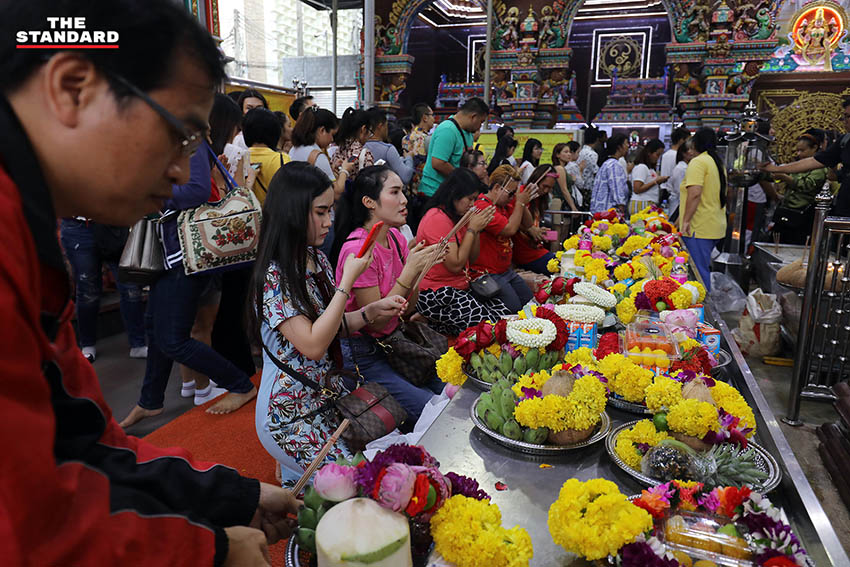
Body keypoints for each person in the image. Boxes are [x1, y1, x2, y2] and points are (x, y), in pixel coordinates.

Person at [0, 1, 298, 563]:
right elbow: (21, 524)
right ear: (71, 89)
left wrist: (226, 497)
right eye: (182, 136)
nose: (185, 171)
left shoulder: (31, 234)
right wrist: (207, 551)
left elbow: (82, 439)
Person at [252, 162, 407, 484]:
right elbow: (312, 344)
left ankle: (293, 482)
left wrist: (369, 312)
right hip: (288, 414)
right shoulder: (274, 274)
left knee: (332, 489)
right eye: (320, 212)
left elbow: (332, 326)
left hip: (324, 399)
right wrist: (345, 284)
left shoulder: (315, 257)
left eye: (331, 210)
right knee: (353, 485)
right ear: (293, 213)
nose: (329, 222)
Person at [120, 138, 260, 427]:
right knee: (155, 327)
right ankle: (150, 401)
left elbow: (196, 191)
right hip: (172, 251)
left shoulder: (187, 137)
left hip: (186, 255)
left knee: (173, 338)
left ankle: (239, 384)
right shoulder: (169, 137)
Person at [332, 166, 446, 420]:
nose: (404, 200)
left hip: (394, 343)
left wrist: (418, 270)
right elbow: (376, 322)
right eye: (394, 192)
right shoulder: (359, 251)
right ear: (369, 202)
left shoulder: (395, 237)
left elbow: (408, 308)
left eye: (403, 192)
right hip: (366, 353)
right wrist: (409, 272)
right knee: (433, 411)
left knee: (451, 390)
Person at [415, 168, 509, 334]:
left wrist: (476, 230)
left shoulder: (458, 216)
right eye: (470, 199)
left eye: (475, 199)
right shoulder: (437, 218)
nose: (473, 204)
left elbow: (471, 259)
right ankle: (429, 321)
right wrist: (472, 229)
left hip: (460, 288)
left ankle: (433, 324)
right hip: (437, 294)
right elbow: (456, 265)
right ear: (454, 194)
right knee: (489, 329)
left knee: (504, 315)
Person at [59, 219, 146, 362]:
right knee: (88, 290)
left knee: (130, 286)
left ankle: (138, 343)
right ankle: (87, 343)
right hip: (78, 224)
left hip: (110, 221)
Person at [761, 97, 850, 217]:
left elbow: (806, 184)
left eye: (848, 117)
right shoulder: (844, 141)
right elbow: (814, 161)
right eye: (844, 116)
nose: (845, 121)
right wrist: (776, 169)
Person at [471, 165, 535, 312]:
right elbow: (509, 229)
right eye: (510, 193)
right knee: (515, 310)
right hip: (487, 273)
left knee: (531, 305)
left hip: (505, 271)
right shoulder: (482, 206)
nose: (512, 197)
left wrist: (521, 201)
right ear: (497, 188)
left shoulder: (504, 203)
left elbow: (528, 223)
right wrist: (519, 202)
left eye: (514, 193)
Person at [290, 107, 353, 256]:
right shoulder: (317, 156)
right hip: (319, 220)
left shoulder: (294, 150)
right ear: (322, 130)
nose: (332, 140)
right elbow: (336, 192)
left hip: (300, 217)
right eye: (332, 134)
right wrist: (344, 170)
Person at [680, 127, 727, 289]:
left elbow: (694, 194)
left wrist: (685, 221)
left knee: (698, 272)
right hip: (714, 224)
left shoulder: (698, 162)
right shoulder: (717, 163)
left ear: (695, 144)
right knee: (702, 267)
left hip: (699, 226)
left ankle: (704, 310)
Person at [419, 97, 489, 197]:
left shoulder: (468, 133)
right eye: (481, 122)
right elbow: (438, 163)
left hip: (452, 193)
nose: (479, 127)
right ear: (473, 117)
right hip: (434, 193)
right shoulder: (447, 130)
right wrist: (463, 178)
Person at [770, 132, 829, 244]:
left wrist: (785, 177)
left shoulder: (819, 169)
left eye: (802, 150)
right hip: (786, 213)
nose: (799, 154)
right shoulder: (796, 165)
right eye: (797, 150)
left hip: (802, 217)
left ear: (814, 148)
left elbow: (806, 185)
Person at [513, 165, 560, 274]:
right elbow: (512, 222)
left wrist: (539, 231)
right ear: (536, 180)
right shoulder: (521, 194)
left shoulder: (539, 199)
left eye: (550, 188)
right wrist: (531, 230)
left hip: (535, 248)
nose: (546, 190)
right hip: (523, 251)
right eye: (544, 186)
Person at [245, 107, 290, 204]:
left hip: (248, 216)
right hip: (274, 216)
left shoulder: (238, 158)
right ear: (275, 132)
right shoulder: (281, 159)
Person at [363, 107, 415, 185]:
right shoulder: (387, 149)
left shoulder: (357, 147)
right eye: (386, 126)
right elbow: (405, 176)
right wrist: (409, 158)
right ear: (380, 126)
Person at [591, 134, 630, 214]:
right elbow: (617, 187)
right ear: (619, 147)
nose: (628, 146)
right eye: (626, 143)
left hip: (600, 210)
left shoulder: (607, 163)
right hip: (608, 211)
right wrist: (621, 204)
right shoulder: (614, 165)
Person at [331, 107, 374, 178]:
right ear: (363, 129)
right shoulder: (365, 154)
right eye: (370, 132)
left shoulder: (337, 151)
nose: (369, 136)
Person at [629, 138, 668, 215]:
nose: (658, 158)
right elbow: (637, 189)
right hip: (641, 203)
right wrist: (656, 181)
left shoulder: (648, 168)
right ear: (649, 153)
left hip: (647, 202)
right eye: (657, 154)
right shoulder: (641, 167)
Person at [402, 103, 435, 192]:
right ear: (425, 118)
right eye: (432, 115)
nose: (433, 118)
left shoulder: (405, 138)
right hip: (424, 187)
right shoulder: (425, 138)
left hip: (409, 187)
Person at [660, 126, 690, 209]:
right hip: (675, 192)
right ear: (681, 140)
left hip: (668, 191)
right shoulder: (677, 156)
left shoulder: (666, 155)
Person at [668, 138, 698, 222]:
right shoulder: (681, 169)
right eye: (689, 149)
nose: (692, 152)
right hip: (677, 204)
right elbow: (680, 190)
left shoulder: (686, 167)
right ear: (683, 153)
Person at [550, 142, 580, 210]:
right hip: (561, 203)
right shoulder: (559, 168)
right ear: (557, 155)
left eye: (569, 152)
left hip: (563, 202)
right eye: (566, 152)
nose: (569, 154)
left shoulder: (561, 168)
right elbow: (564, 189)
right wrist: (573, 206)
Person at [577, 127, 601, 201]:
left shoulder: (580, 152)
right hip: (588, 188)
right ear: (597, 139)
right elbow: (596, 172)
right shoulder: (592, 154)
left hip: (579, 185)